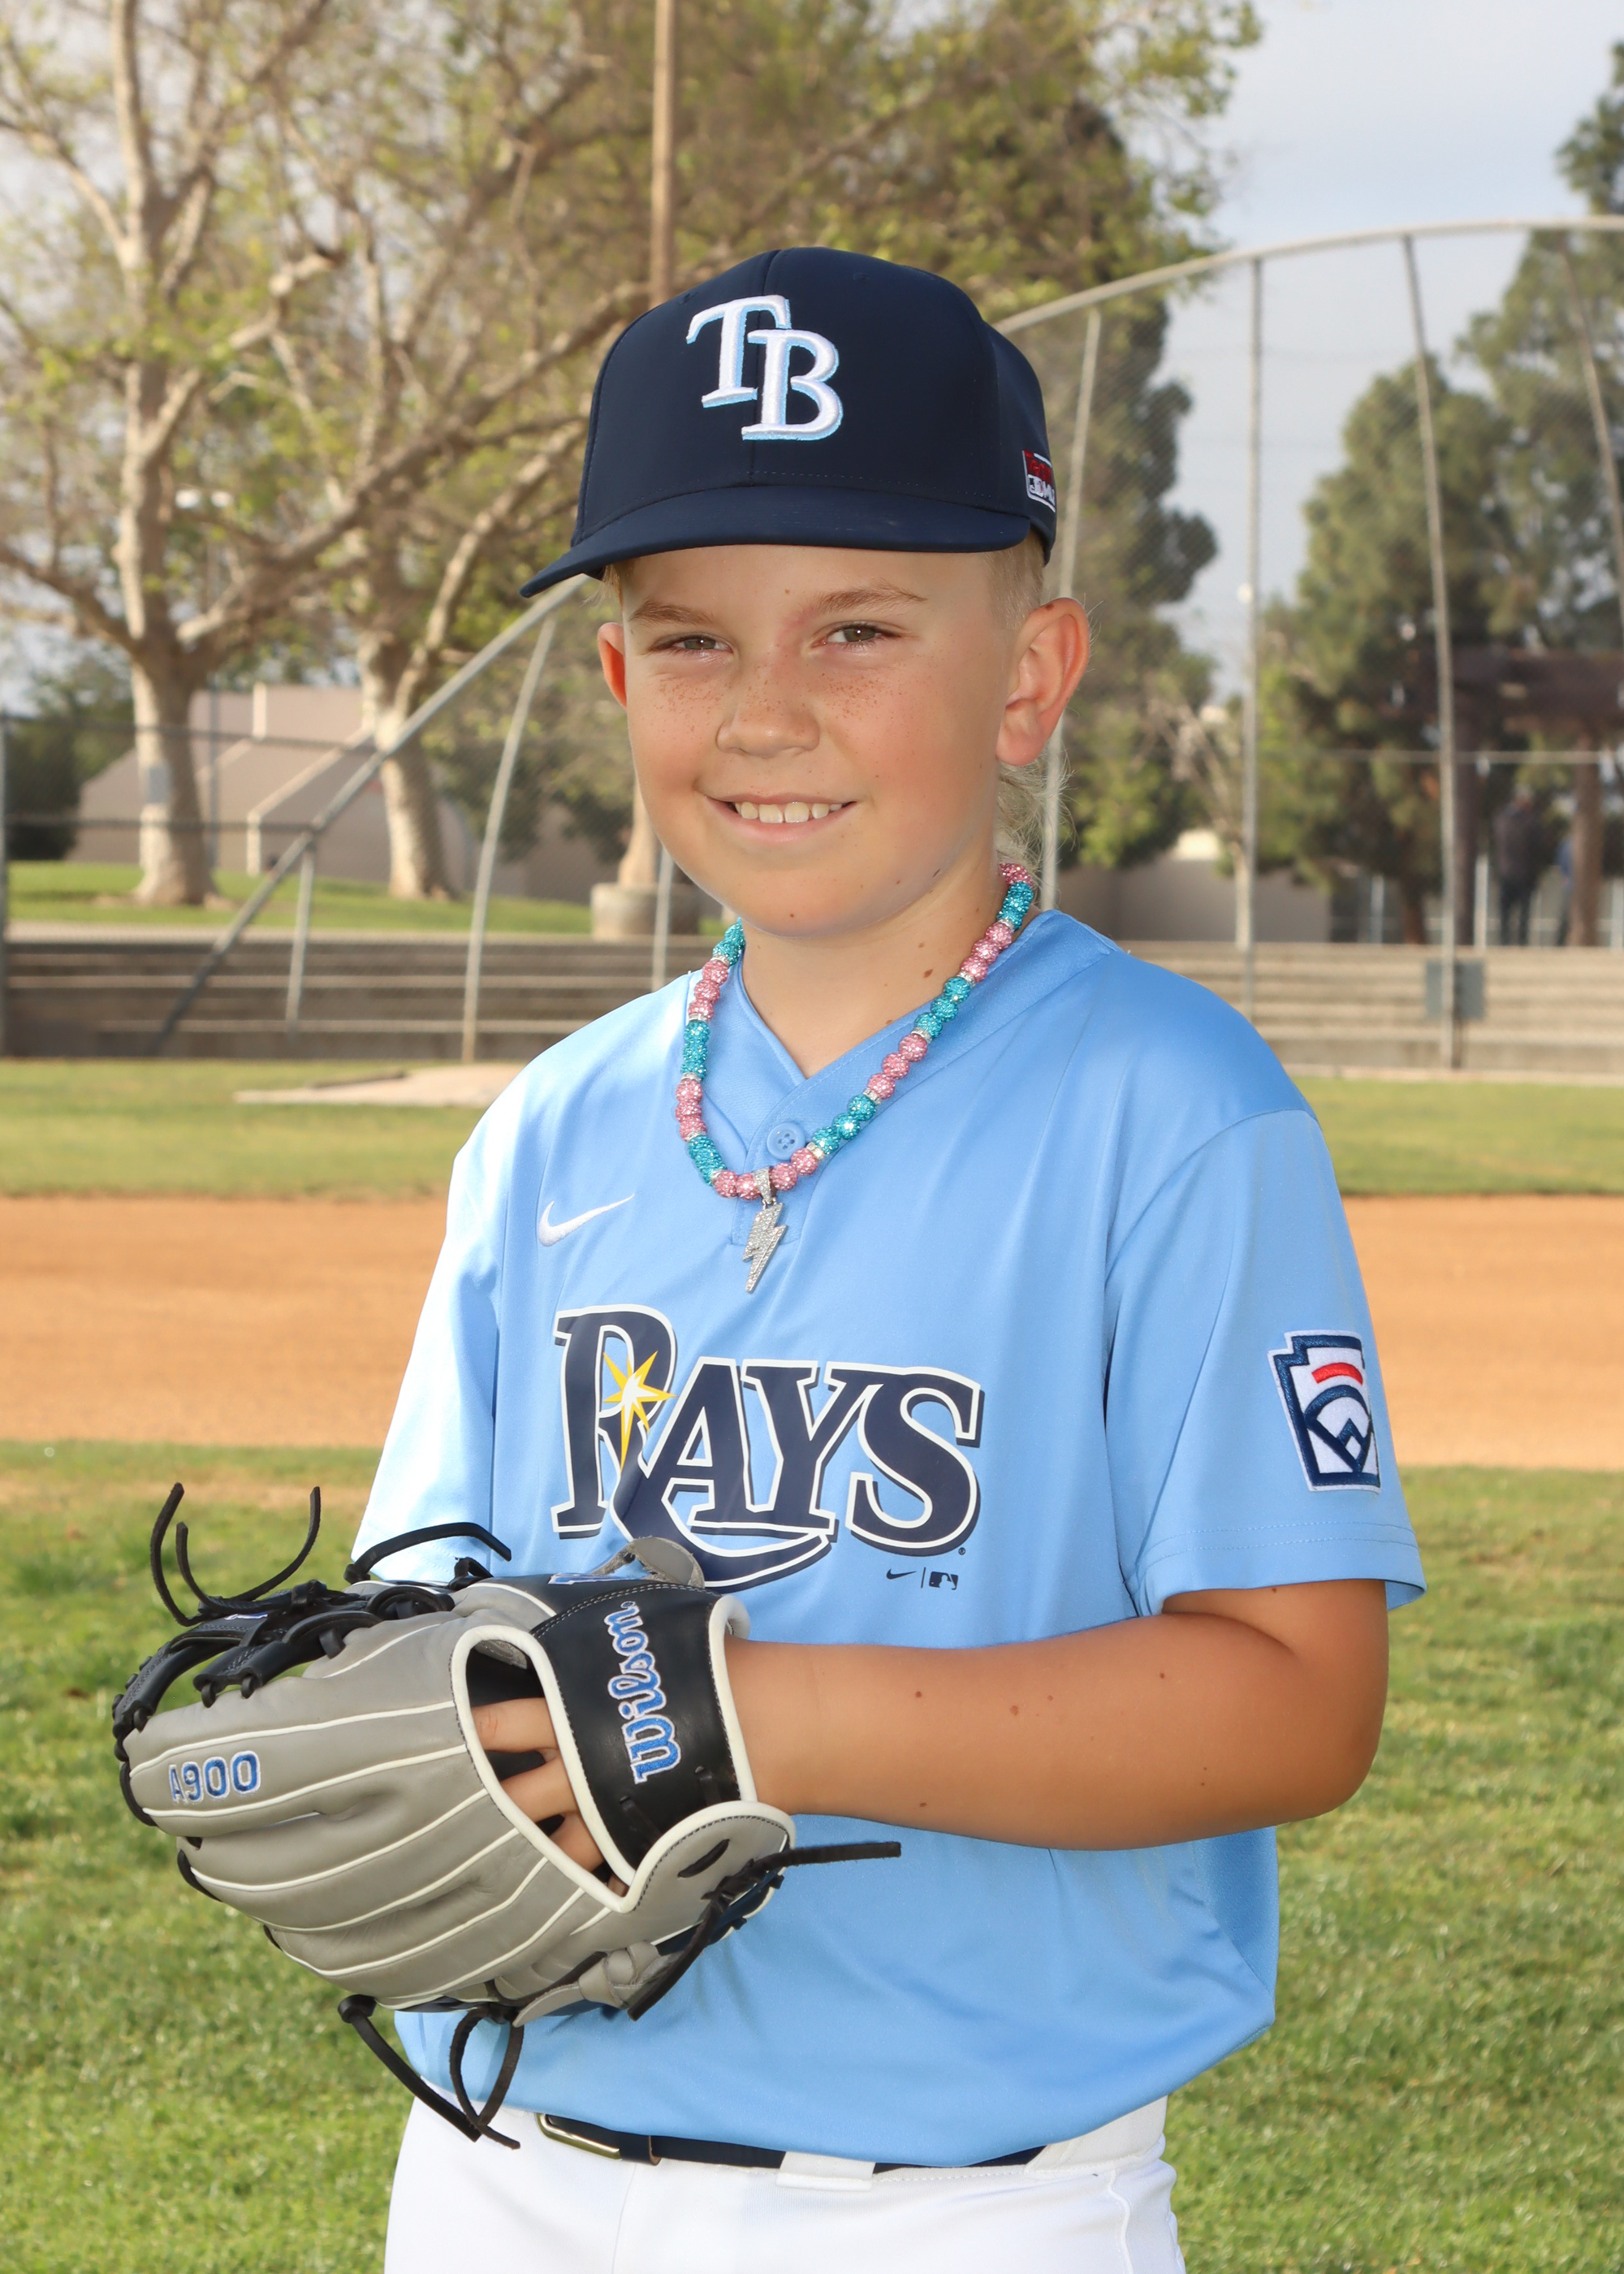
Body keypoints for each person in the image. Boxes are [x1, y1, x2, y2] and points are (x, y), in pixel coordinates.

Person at [353, 248, 1423, 2274]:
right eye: (690, 638)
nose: (765, 711)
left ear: (1028, 677)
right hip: (502, 2172)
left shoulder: (1169, 1111)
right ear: (617, 686)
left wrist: (737, 1710)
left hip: (959, 2208)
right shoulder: (552, 1133)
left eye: (855, 627)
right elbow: (433, 1621)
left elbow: (1295, 1701)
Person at [1494, 783, 1541, 945]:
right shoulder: (1529, 821)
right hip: (1522, 873)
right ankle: (1517, 941)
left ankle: (1507, 941)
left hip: (1507, 871)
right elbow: (1536, 846)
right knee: (1517, 912)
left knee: (1510, 913)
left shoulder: (1501, 818)